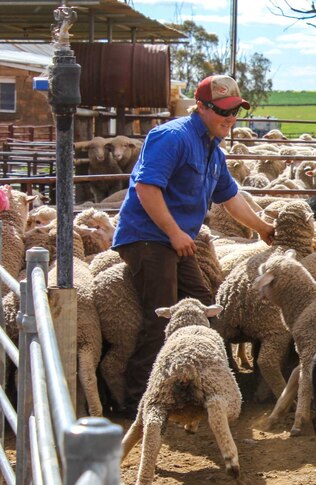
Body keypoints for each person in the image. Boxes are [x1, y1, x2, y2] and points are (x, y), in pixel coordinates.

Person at [112, 74, 274, 411]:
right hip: (149, 237)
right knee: (163, 316)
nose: (230, 119)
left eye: (235, 112)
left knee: (204, 309)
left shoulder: (212, 149)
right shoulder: (173, 137)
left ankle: (206, 385)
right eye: (223, 111)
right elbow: (146, 188)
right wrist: (173, 232)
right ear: (200, 107)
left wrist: (262, 228)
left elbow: (230, 197)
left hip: (177, 241)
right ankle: (138, 401)